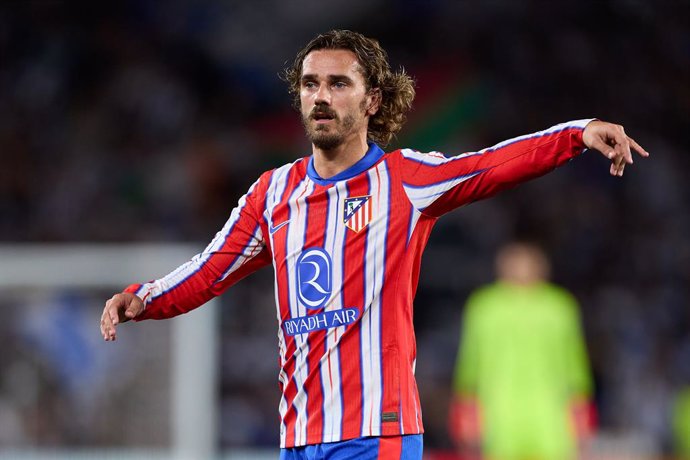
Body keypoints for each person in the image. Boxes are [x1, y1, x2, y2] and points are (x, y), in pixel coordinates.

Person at [100, 29, 648, 459]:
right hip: (301, 432)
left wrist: (576, 133)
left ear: (372, 100)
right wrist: (144, 298)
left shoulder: (405, 181)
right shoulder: (273, 194)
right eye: (311, 84)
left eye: (339, 84)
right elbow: (211, 267)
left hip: (377, 431)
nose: (321, 96)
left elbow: (492, 165)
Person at [449, 242, 595, 460]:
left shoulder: (486, 306)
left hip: (527, 418)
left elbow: (575, 367)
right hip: (524, 419)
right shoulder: (557, 306)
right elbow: (470, 366)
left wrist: (582, 414)